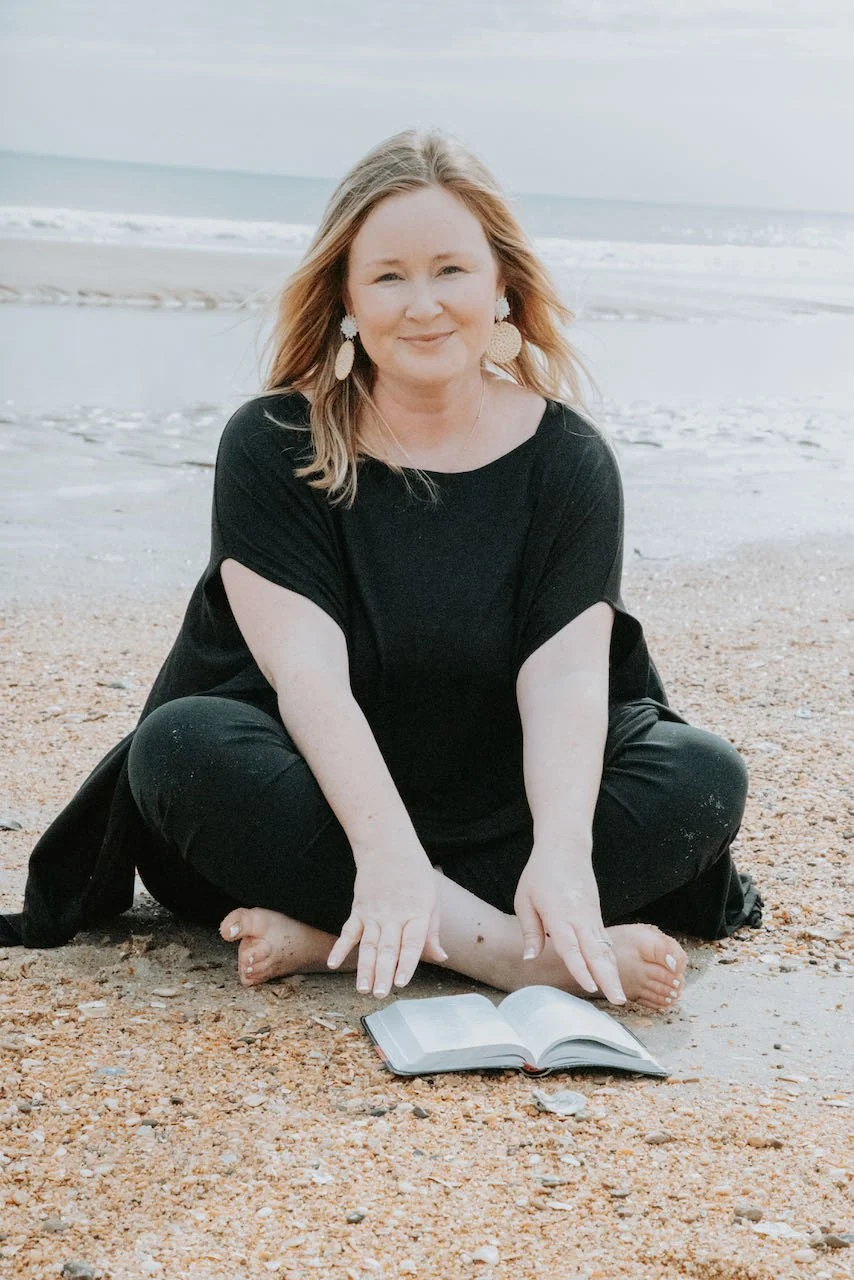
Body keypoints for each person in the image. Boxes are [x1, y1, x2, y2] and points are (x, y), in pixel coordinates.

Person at [1, 128, 762, 1011]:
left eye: (451, 270)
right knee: (178, 749)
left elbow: (565, 680)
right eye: (389, 276)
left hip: (494, 792)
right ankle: (516, 956)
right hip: (314, 793)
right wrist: (387, 855)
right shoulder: (273, 443)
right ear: (349, 300)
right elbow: (307, 676)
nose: (423, 304)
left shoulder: (569, 461)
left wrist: (559, 854)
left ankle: (339, 937)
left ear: (501, 286)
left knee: (703, 775)